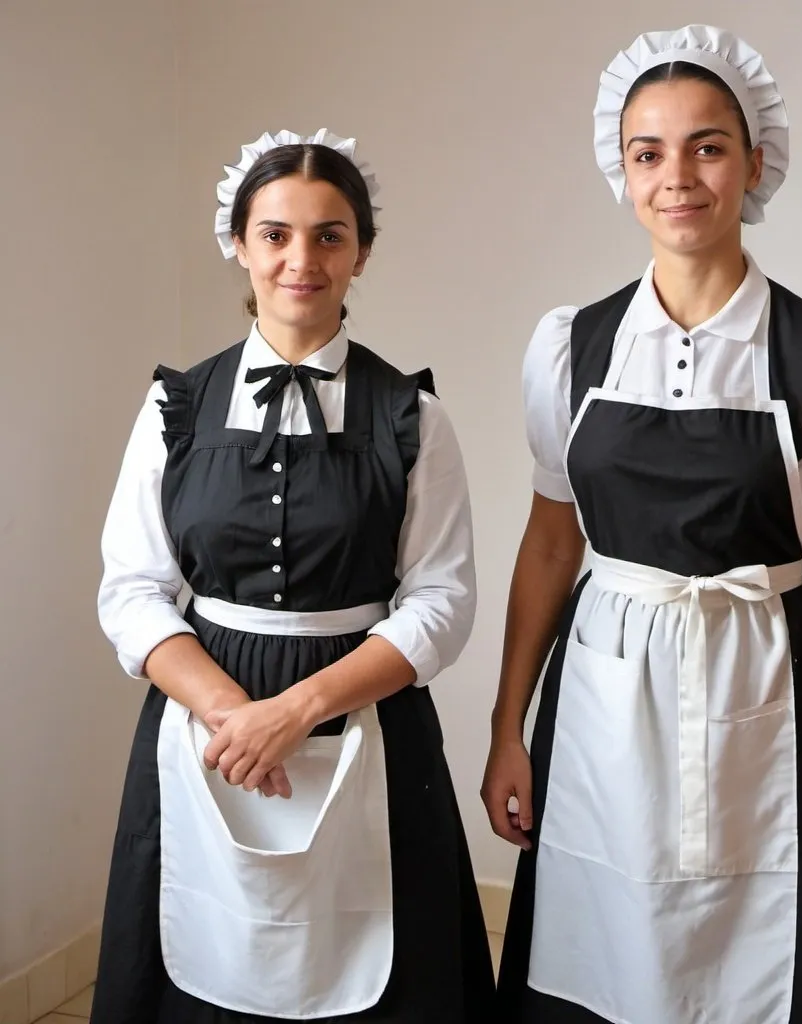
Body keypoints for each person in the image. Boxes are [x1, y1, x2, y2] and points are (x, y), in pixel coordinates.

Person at [482, 26, 802, 1024]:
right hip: (600, 701)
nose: (677, 177)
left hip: (767, 686)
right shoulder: (569, 348)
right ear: (621, 170)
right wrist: (506, 725)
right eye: (648, 152)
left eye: (707, 147)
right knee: (600, 945)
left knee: (754, 964)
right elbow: (550, 543)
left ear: (755, 164)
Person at [94, 129, 495, 1023]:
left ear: (361, 252)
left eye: (328, 235)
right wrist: (234, 716)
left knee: (379, 971)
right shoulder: (175, 409)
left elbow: (442, 601)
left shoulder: (412, 416)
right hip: (203, 725)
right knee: (201, 963)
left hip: (366, 719)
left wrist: (298, 711)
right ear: (238, 243)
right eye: (275, 234)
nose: (300, 260)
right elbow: (132, 589)